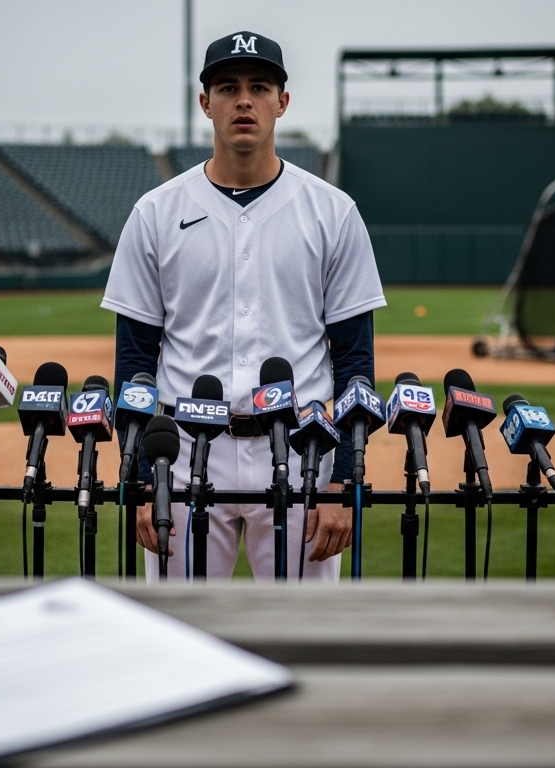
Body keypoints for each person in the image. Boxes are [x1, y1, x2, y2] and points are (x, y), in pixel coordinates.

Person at [101, 30, 386, 581]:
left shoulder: (333, 211)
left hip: (302, 451)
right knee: (180, 626)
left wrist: (343, 480)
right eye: (228, 88)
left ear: (283, 101)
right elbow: (134, 359)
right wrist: (139, 479)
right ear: (206, 103)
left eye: (260, 87)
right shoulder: (155, 212)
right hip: (182, 451)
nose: (244, 101)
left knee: (304, 627)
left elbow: (355, 360)